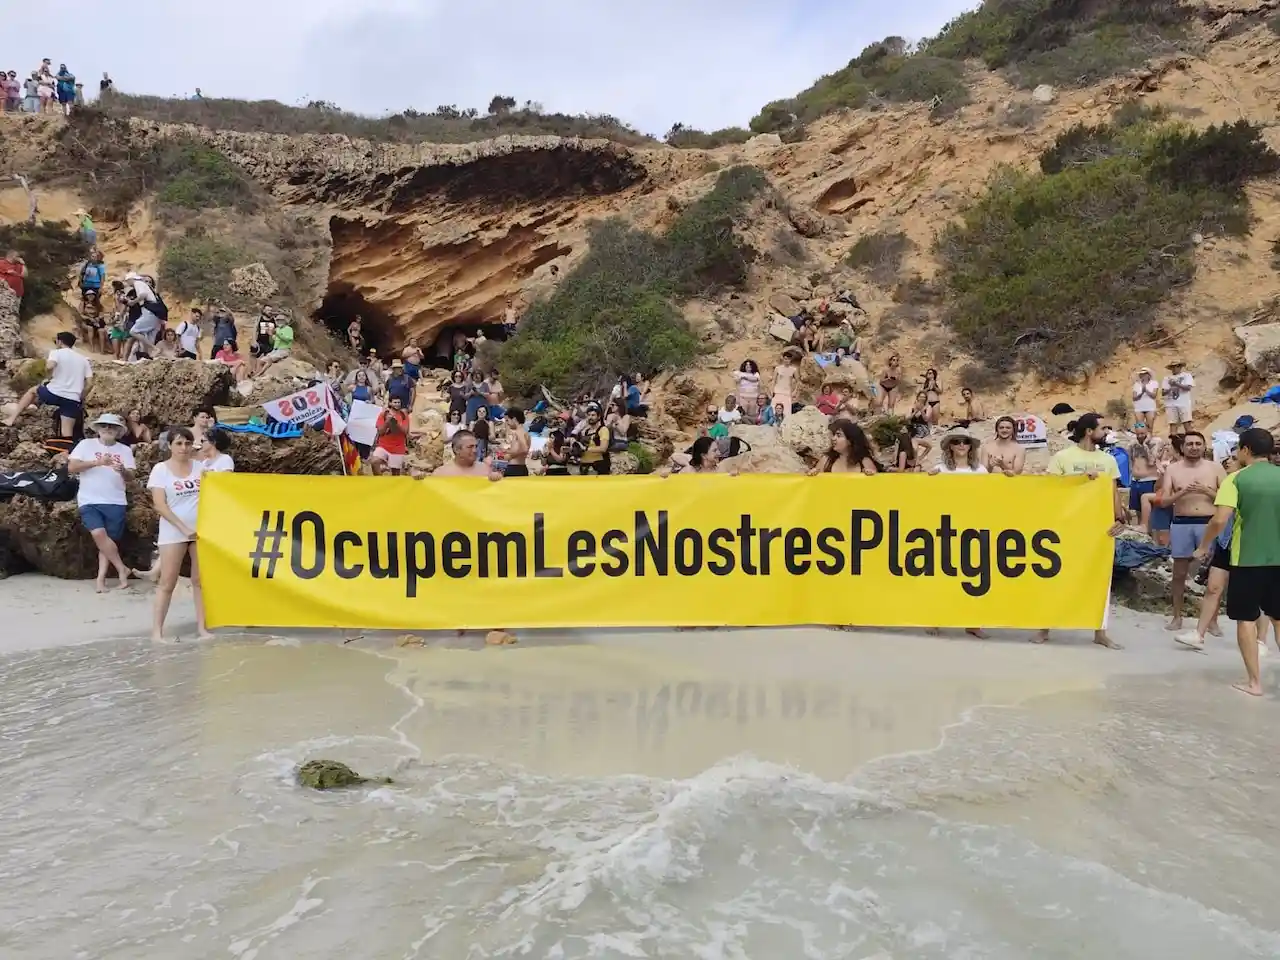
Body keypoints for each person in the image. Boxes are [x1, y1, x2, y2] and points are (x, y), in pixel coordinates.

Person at [1191, 428, 1280, 696]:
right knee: (1278, 619)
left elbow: (1219, 520)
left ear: (1246, 450)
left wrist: (1204, 545)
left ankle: (1254, 683)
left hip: (1246, 560)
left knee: (1246, 620)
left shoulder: (1236, 479)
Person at [1032, 413, 1127, 649]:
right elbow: (1051, 488)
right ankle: (1044, 628)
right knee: (1055, 576)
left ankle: (1100, 631)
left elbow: (1113, 491)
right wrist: (1080, 478)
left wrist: (1119, 517)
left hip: (1099, 529)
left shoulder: (1108, 460)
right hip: (1066, 527)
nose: (1106, 433)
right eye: (1103, 428)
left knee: (1100, 578)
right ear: (1088, 431)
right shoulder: (1063, 457)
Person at [148, 427, 212, 643]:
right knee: (168, 581)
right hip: (174, 531)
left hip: (201, 530)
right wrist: (183, 528)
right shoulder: (160, 469)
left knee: (200, 581)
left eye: (187, 443)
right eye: (178, 443)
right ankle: (157, 632)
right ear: (169, 446)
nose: (183, 448)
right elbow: (159, 504)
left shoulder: (201, 467)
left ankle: (202, 628)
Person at [1159, 431, 1224, 631]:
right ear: (1183, 447)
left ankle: (1212, 620)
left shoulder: (1215, 468)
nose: (1194, 447)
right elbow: (1164, 501)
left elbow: (1227, 499)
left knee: (1214, 574)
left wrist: (1206, 491)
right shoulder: (1173, 469)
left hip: (1209, 523)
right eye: (1190, 444)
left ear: (1204, 447)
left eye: (1198, 443)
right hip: (1181, 522)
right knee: (1179, 573)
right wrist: (1183, 492)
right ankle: (1177, 616)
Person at [68, 413, 137, 593]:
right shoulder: (85, 445)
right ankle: (122, 568)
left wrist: (122, 470)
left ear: (119, 430)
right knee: (99, 535)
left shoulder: (125, 450)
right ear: (97, 428)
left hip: (115, 500)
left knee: (107, 543)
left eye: (112, 426)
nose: (108, 429)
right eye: (104, 425)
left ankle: (101, 579)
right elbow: (72, 467)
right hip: (89, 499)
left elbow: (131, 477)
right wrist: (97, 462)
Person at [5, 331, 92, 438]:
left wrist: (47, 374)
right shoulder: (84, 359)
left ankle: (11, 419)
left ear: (60, 342)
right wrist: (81, 396)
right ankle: (65, 450)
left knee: (32, 391)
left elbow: (50, 366)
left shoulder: (56, 352)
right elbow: (89, 383)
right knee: (67, 432)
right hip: (72, 399)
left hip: (53, 393)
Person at [811, 420, 878, 475]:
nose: (833, 438)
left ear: (850, 440)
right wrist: (812, 475)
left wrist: (871, 475)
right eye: (833, 435)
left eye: (838, 435)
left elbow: (876, 485)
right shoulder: (826, 461)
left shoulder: (865, 462)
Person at [433, 430, 503, 479]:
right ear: (457, 450)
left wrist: (497, 479)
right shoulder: (441, 473)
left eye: (476, 446)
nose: (475, 450)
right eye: (470, 447)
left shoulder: (485, 470)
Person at [370, 395, 410, 476]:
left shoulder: (404, 415)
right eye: (395, 402)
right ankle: (380, 482)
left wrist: (396, 424)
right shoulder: (383, 415)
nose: (397, 404)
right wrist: (387, 422)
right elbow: (380, 432)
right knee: (374, 462)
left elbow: (405, 432)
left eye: (399, 402)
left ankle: (392, 486)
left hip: (398, 448)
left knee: (395, 474)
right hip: (383, 446)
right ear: (390, 403)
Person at [1161, 360, 1194, 436]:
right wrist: (1170, 389)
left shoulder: (1186, 375)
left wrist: (1176, 384)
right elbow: (1163, 393)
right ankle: (1174, 444)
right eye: (1173, 366)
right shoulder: (1167, 378)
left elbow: (1188, 388)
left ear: (1180, 367)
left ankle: (1190, 442)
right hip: (1171, 404)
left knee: (1187, 424)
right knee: (1173, 425)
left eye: (1177, 366)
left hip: (1183, 403)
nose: (1175, 368)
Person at [577, 406, 611, 475]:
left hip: (597, 465)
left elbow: (603, 448)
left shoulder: (603, 430)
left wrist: (586, 448)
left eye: (593, 415)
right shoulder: (586, 431)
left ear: (598, 417)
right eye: (589, 415)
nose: (590, 417)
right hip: (584, 465)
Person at [772, 348, 801, 422]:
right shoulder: (777, 368)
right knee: (774, 409)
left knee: (787, 411)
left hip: (787, 393)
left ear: (790, 360)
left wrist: (795, 391)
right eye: (785, 359)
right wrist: (772, 390)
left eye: (788, 359)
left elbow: (798, 381)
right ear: (783, 359)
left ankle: (785, 426)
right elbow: (773, 380)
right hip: (777, 391)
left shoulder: (793, 369)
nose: (786, 360)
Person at [503, 408, 531, 476]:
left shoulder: (520, 432)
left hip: (515, 469)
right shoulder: (523, 432)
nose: (507, 423)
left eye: (507, 420)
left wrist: (508, 454)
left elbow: (524, 449)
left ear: (514, 419)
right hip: (520, 468)